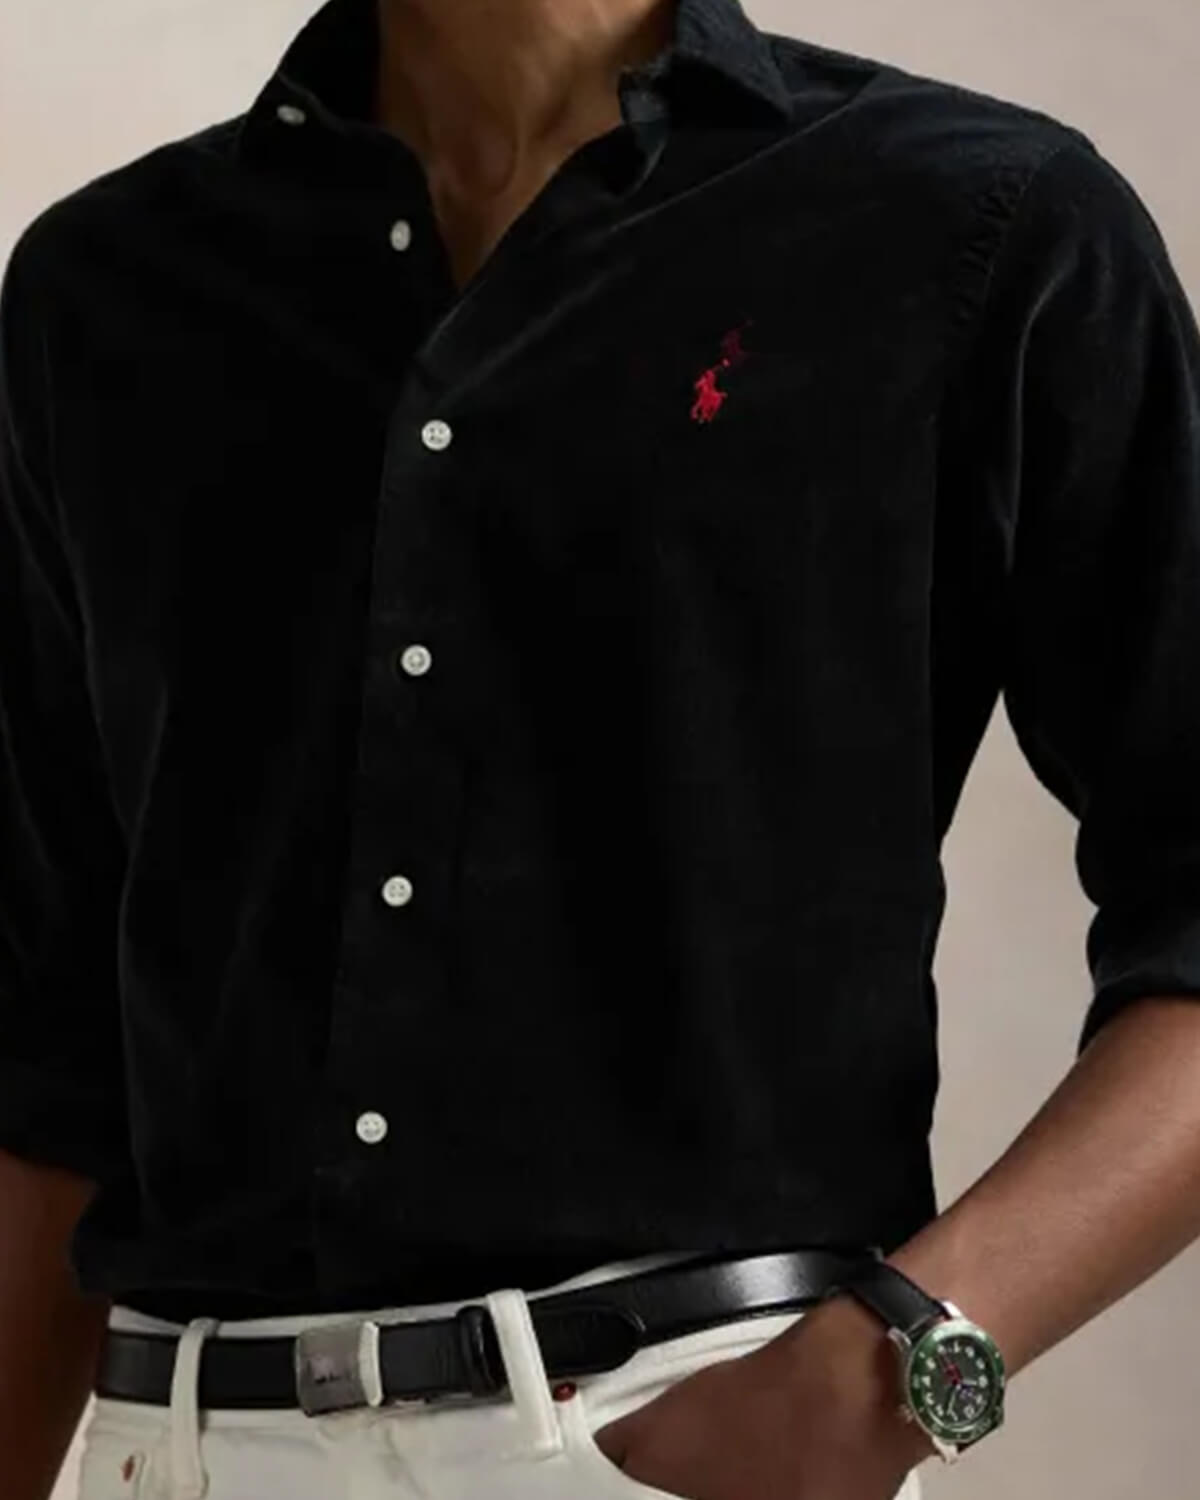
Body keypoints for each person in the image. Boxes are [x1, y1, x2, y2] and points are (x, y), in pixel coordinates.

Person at [2, 0, 1200, 1496]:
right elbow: (49, 1043)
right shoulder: (102, 291)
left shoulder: (979, 225)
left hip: (676, 1435)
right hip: (174, 1444)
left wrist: (891, 1369)